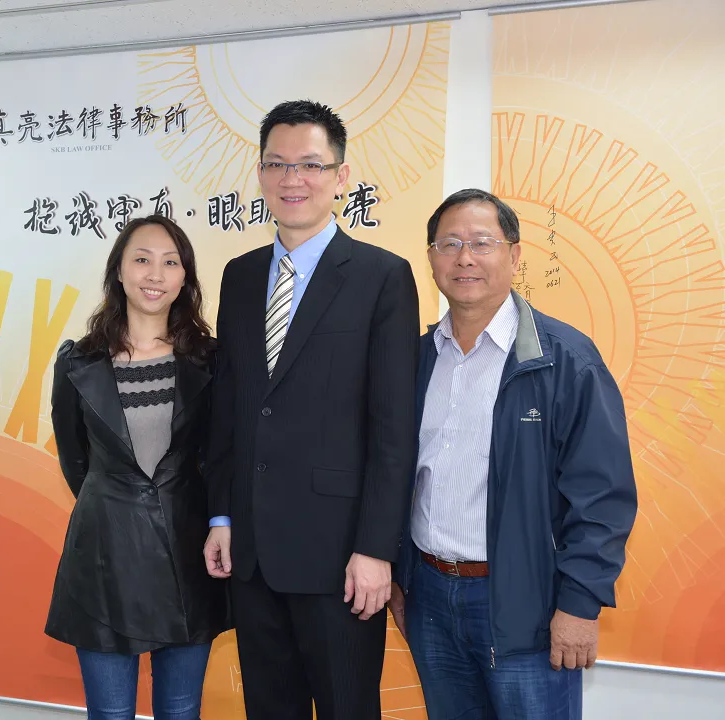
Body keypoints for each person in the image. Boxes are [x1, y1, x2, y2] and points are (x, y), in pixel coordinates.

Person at [202, 99, 420, 720]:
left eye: (309, 165)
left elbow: (393, 428)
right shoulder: (240, 277)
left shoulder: (382, 276)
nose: (291, 179)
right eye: (276, 164)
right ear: (260, 174)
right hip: (252, 554)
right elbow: (231, 406)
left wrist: (376, 549)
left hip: (340, 559)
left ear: (341, 176)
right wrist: (221, 514)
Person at [388, 188, 639, 719]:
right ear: (431, 257)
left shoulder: (565, 360)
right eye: (449, 244)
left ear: (515, 255)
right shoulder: (418, 358)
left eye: (482, 243)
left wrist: (579, 604)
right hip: (429, 594)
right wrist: (400, 574)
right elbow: (397, 474)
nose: (465, 258)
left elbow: (603, 497)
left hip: (526, 604)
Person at [45, 215, 228, 720]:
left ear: (185, 278)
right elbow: (75, 460)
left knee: (181, 710)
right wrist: (120, 500)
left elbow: (218, 456)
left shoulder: (209, 360)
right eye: (142, 259)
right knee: (109, 713)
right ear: (119, 271)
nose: (155, 274)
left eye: (171, 263)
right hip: (103, 556)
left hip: (187, 556)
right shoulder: (78, 362)